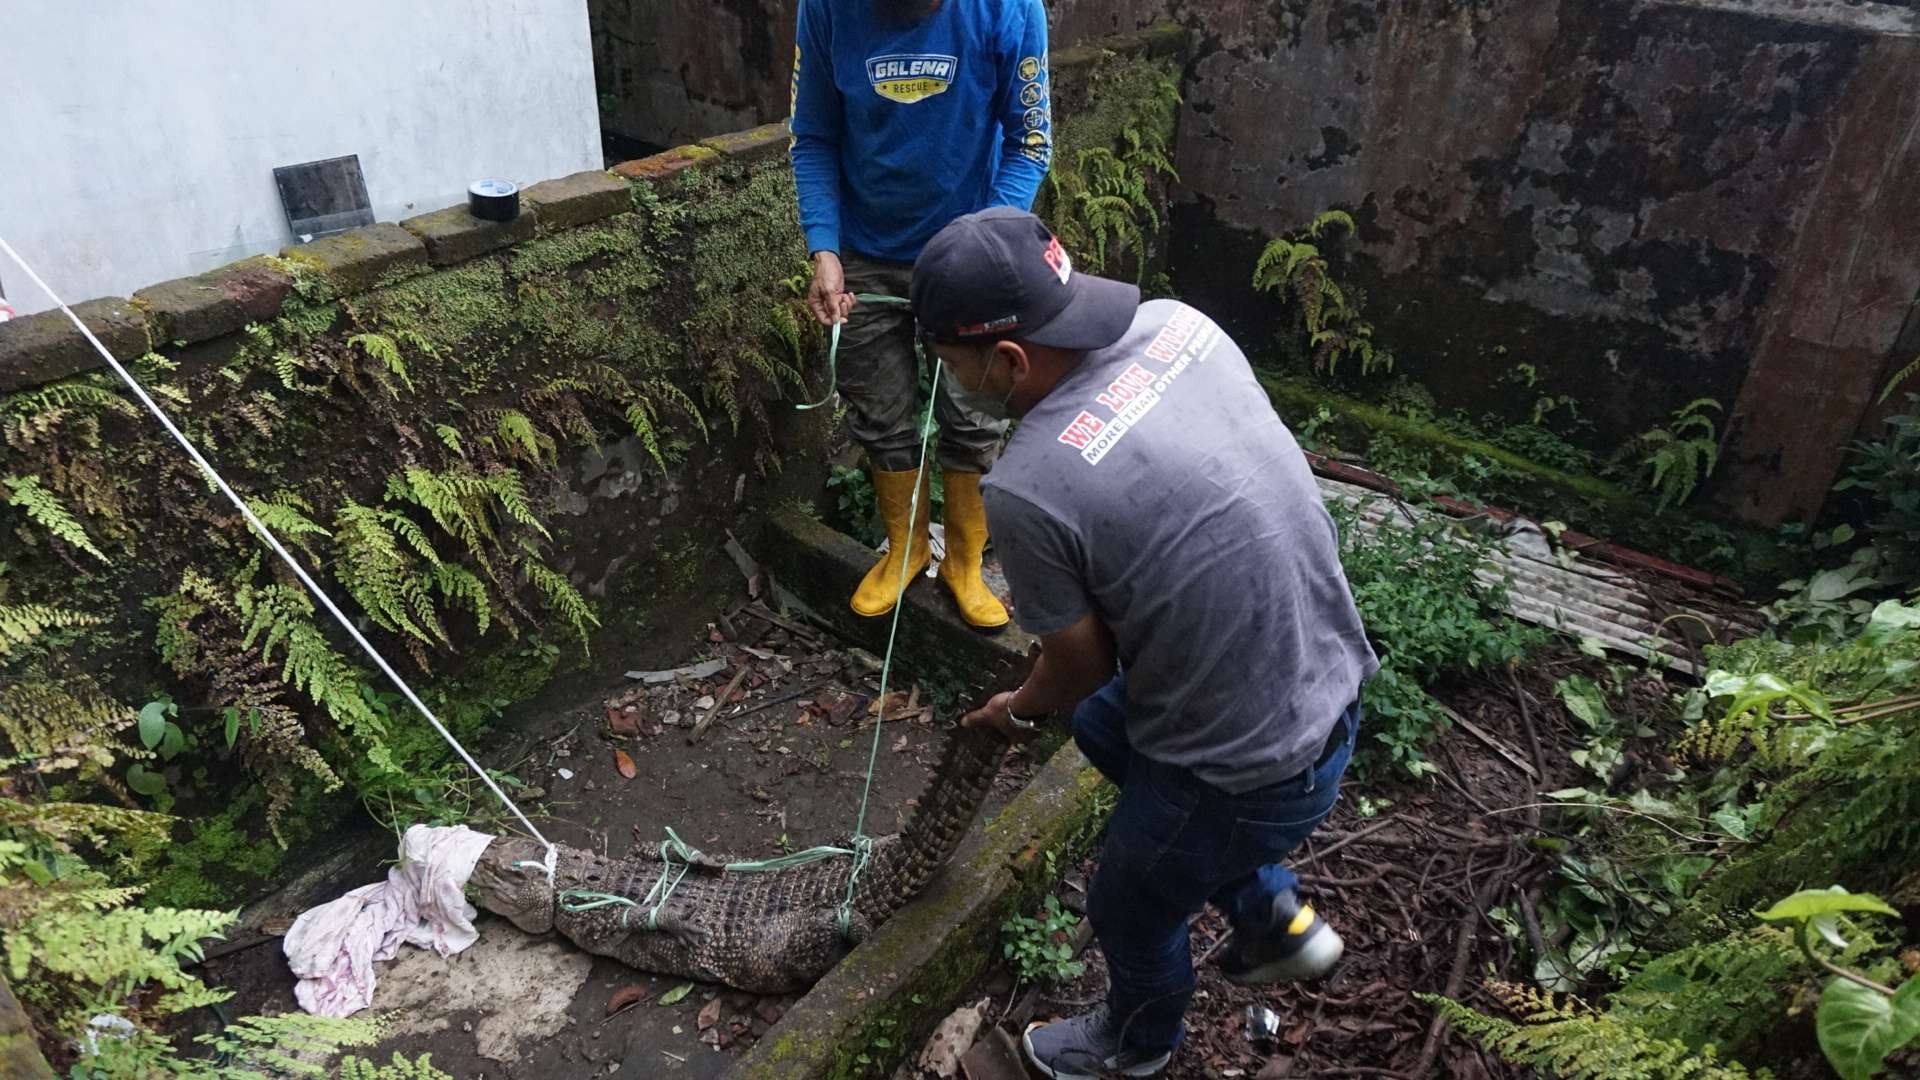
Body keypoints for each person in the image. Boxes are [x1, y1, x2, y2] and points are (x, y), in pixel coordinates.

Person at [910, 208, 1381, 1080]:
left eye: (950, 366)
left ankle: (1138, 1043)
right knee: (1101, 727)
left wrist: (1012, 712)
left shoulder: (1029, 485)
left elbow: (1080, 664)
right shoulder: (1181, 325)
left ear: (1007, 361)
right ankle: (1267, 908)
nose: (950, 383)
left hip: (1251, 769)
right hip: (1335, 681)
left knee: (1127, 905)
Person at [788, 0, 1053, 630]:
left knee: (974, 414)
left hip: (973, 249)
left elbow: (1030, 142)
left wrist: (983, 247)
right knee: (879, 412)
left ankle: (963, 559)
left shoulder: (1010, 8)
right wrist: (823, 248)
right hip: (864, 254)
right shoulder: (825, 9)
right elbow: (815, 136)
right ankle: (905, 548)